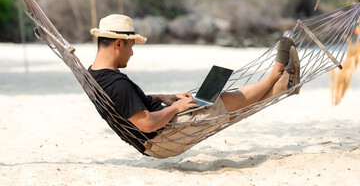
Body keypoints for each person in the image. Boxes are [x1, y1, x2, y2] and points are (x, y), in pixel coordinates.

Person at [88, 14, 300, 158]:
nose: (132, 53)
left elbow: (124, 104)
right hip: (162, 139)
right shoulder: (116, 84)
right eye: (131, 46)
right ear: (117, 44)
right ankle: (275, 75)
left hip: (157, 138)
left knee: (219, 108)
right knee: (222, 102)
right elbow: (147, 124)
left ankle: (280, 88)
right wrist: (175, 108)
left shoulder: (95, 75)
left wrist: (164, 97)